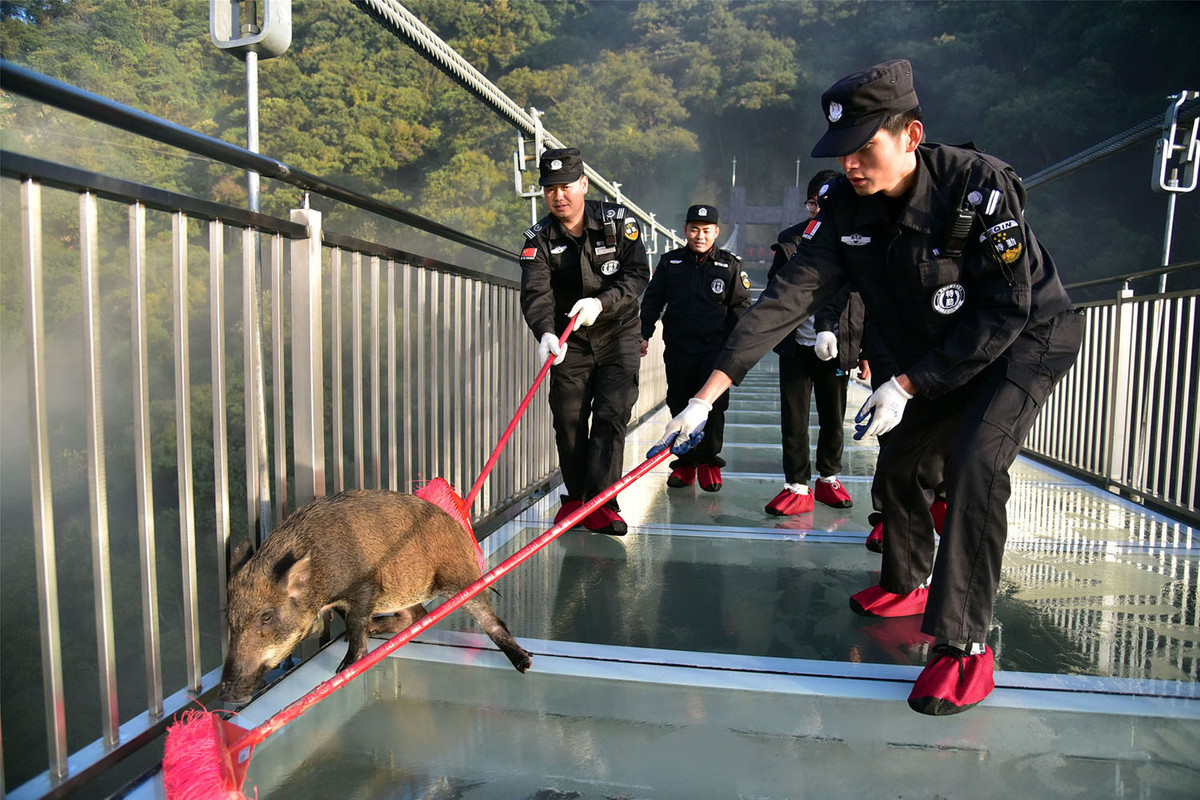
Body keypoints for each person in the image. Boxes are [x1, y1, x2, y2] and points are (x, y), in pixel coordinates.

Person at [656, 59, 1083, 715]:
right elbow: (783, 300)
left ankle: (964, 646)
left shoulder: (978, 187)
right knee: (904, 459)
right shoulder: (846, 209)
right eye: (840, 153)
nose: (851, 164)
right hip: (939, 348)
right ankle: (908, 582)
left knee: (974, 462)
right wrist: (704, 396)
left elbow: (1006, 308)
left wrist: (909, 383)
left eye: (864, 148)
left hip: (1026, 338)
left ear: (911, 134)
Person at [520, 147, 650, 536]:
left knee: (611, 416)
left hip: (618, 331)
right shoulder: (538, 239)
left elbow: (638, 275)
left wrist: (601, 302)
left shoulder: (618, 222)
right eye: (549, 189)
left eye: (566, 186)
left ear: (583, 184)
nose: (559, 196)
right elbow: (535, 293)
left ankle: (602, 503)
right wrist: (544, 332)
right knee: (568, 418)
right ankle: (578, 498)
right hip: (569, 339)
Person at [764, 170, 868, 516]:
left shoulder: (857, 239)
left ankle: (829, 479)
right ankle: (796, 485)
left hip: (837, 344)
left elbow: (866, 296)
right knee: (794, 418)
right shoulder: (791, 240)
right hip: (796, 344)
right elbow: (775, 290)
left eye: (827, 203)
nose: (819, 209)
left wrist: (865, 350)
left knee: (833, 416)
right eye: (814, 203)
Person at [640, 204, 752, 491]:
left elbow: (741, 307)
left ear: (716, 232)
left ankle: (709, 462)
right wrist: (644, 332)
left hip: (715, 351)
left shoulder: (730, 265)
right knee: (678, 403)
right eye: (694, 230)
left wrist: (740, 347)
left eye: (706, 231)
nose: (699, 236)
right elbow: (653, 300)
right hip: (678, 348)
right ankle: (685, 463)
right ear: (685, 231)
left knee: (712, 407)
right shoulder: (670, 263)